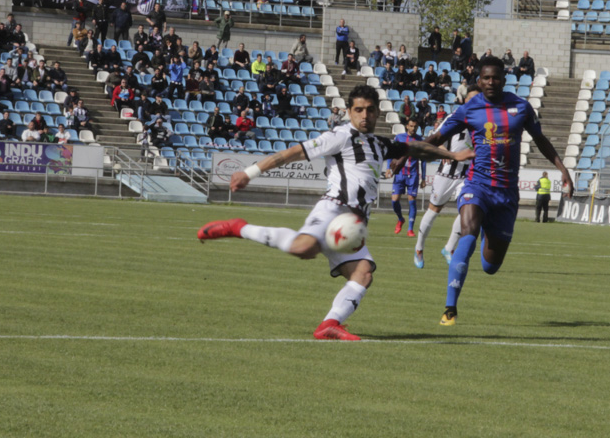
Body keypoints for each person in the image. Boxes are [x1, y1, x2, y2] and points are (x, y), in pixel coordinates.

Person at [197, 85, 472, 341]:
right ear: (350, 112)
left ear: (377, 111)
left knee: (363, 273)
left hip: (355, 222)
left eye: (370, 110)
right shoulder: (339, 137)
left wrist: (452, 156)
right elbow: (293, 153)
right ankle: (239, 227)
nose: (365, 115)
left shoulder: (379, 143)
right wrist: (249, 172)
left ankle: (329, 324)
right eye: (359, 110)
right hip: (333, 208)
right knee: (304, 248)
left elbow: (415, 147)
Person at [425, 56, 573, 326]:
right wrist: (406, 154)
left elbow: (541, 140)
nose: (491, 82)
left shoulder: (520, 107)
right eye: (486, 78)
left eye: (496, 77)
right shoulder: (469, 109)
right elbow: (436, 138)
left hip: (506, 193)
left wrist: (562, 169)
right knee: (467, 233)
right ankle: (450, 308)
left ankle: (486, 230)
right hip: (477, 185)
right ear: (479, 80)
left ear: (504, 79)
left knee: (490, 267)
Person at [413, 87, 480, 268]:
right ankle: (419, 248)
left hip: (467, 174)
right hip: (447, 171)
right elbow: (435, 139)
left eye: (478, 98)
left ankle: (449, 248)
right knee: (434, 210)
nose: (475, 102)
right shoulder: (454, 118)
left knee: (469, 209)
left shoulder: (482, 121)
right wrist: (448, 153)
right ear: (465, 100)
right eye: (471, 99)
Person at [388, 117, 427, 238]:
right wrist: (389, 168)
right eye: (411, 126)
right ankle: (400, 219)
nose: (413, 128)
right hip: (399, 173)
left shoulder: (420, 140)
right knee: (394, 201)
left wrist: (423, 178)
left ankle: (410, 229)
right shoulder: (399, 137)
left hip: (413, 175)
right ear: (407, 126)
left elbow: (423, 160)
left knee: (412, 201)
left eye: (415, 126)